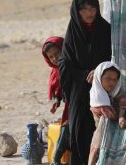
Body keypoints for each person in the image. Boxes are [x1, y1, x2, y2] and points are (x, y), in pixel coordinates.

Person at [58, 0, 112, 165]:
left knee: (103, 136)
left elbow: (115, 59)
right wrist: (84, 74)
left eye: (93, 8)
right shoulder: (72, 33)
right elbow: (64, 64)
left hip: (104, 92)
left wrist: (99, 71)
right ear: (76, 11)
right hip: (79, 95)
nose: (89, 13)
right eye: (84, 9)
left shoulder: (106, 30)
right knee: (80, 134)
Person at [88, 61, 126, 165]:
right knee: (97, 154)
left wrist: (121, 116)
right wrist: (119, 115)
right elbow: (111, 115)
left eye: (115, 80)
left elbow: (123, 98)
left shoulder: (113, 92)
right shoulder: (97, 96)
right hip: (102, 136)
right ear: (98, 77)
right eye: (108, 78)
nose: (112, 82)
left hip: (112, 136)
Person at [42, 36, 70, 165]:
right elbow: (59, 91)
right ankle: (56, 159)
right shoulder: (55, 72)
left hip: (81, 102)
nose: (55, 58)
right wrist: (56, 102)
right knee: (66, 128)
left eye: (57, 53)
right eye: (51, 57)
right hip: (69, 106)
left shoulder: (72, 64)